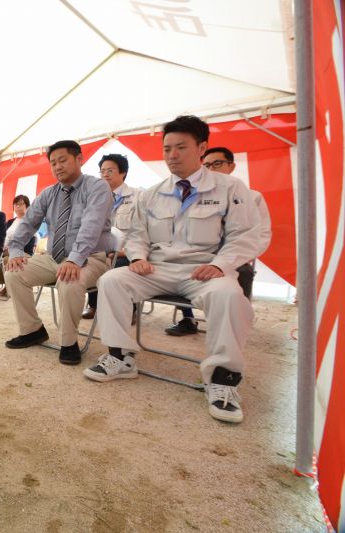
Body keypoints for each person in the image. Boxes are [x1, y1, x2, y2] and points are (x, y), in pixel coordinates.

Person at [84, 116, 261, 424]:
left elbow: (245, 235)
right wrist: (138, 256)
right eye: (167, 148)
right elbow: (137, 233)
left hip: (206, 271)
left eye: (181, 147)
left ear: (201, 148)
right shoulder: (152, 193)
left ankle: (222, 379)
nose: (172, 155)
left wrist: (220, 265)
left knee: (230, 297)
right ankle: (120, 356)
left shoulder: (230, 188)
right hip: (159, 268)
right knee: (112, 279)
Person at [4, 140, 114, 365]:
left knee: (69, 281)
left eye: (62, 160)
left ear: (79, 159)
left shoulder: (97, 187)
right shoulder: (48, 193)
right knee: (13, 273)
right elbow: (27, 223)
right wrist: (15, 250)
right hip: (54, 258)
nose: (57, 167)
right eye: (53, 163)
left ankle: (68, 342)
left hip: (90, 258)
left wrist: (74, 259)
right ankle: (32, 329)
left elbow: (91, 227)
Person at [165, 146, 272, 336]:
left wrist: (225, 262)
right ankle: (188, 318)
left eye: (217, 163)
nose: (211, 169)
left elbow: (260, 235)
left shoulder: (251, 196)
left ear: (231, 166)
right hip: (197, 256)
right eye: (206, 165)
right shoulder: (193, 195)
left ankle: (235, 323)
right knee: (176, 264)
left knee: (243, 272)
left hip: (232, 259)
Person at [82, 154, 141, 321]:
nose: (105, 175)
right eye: (102, 171)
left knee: (120, 265)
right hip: (102, 250)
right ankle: (94, 305)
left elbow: (142, 232)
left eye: (110, 170)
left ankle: (128, 309)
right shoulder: (94, 199)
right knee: (90, 260)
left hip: (126, 252)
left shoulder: (138, 197)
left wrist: (125, 251)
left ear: (123, 172)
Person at [0, 194, 37, 297]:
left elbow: (29, 241)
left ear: (27, 206)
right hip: (6, 251)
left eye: (21, 204)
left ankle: (10, 286)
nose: (18, 207)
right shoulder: (10, 222)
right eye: (15, 205)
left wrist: (10, 249)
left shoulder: (30, 221)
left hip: (23, 252)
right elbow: (2, 236)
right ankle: (7, 284)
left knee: (6, 261)